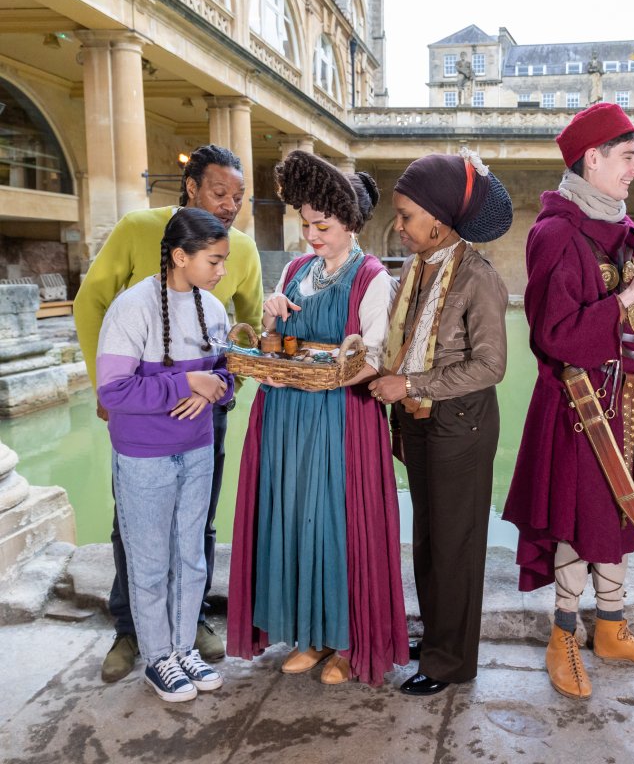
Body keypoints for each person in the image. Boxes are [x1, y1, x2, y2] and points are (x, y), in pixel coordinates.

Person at [502, 103, 634, 701]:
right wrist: (623, 302)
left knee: (619, 514)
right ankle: (564, 639)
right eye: (629, 157)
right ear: (594, 158)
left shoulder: (625, 228)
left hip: (632, 400)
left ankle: (609, 630)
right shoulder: (555, 233)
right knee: (578, 520)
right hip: (579, 408)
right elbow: (552, 335)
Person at [73, 144, 263, 683]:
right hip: (141, 417)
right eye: (220, 193)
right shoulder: (137, 233)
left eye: (239, 197)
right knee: (134, 529)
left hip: (202, 418)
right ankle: (133, 630)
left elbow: (242, 338)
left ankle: (187, 630)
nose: (229, 205)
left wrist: (219, 389)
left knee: (194, 527)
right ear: (191, 188)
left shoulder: (235, 256)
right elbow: (93, 305)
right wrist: (104, 388)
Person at [226, 150, 407, 687]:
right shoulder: (296, 270)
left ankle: (351, 642)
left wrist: (327, 364)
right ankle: (313, 635)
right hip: (284, 413)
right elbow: (273, 341)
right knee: (294, 519)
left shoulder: (373, 277)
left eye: (322, 226)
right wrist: (272, 316)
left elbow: (373, 359)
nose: (311, 235)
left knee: (337, 524)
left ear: (350, 223)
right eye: (305, 224)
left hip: (340, 421)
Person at [368, 147, 511, 696]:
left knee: (455, 544)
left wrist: (411, 384)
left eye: (406, 215)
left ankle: (451, 660)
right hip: (422, 422)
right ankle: (437, 640)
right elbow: (404, 342)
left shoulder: (478, 278)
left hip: (462, 424)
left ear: (440, 218)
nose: (398, 225)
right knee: (428, 539)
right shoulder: (418, 268)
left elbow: (491, 366)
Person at [96, 207, 234, 702]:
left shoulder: (213, 310)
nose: (221, 271)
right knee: (151, 562)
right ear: (180, 256)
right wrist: (185, 382)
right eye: (214, 261)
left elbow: (227, 373)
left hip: (197, 451)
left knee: (191, 557)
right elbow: (112, 391)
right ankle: (157, 657)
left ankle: (182, 648)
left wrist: (213, 385)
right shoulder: (132, 308)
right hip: (143, 458)